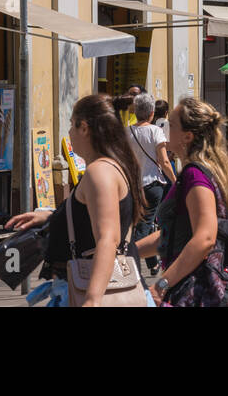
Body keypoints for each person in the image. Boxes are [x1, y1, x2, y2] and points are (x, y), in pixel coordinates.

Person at [7, 94, 145, 307]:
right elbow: (93, 219)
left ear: (84, 128)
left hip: (96, 294)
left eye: (72, 124)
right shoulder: (112, 167)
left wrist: (92, 300)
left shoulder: (100, 172)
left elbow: (108, 239)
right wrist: (53, 216)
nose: (69, 132)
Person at [135, 97, 228, 306]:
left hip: (195, 291)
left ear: (187, 136)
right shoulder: (201, 172)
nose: (164, 130)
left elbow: (205, 238)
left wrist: (162, 285)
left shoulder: (194, 175)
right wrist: (129, 251)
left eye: (171, 125)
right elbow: (172, 235)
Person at [127, 93, 175, 275]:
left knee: (138, 224)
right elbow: (164, 161)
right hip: (153, 184)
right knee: (146, 225)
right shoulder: (156, 131)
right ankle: (135, 265)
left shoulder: (127, 131)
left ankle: (151, 264)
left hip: (133, 185)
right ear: (151, 113)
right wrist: (176, 181)